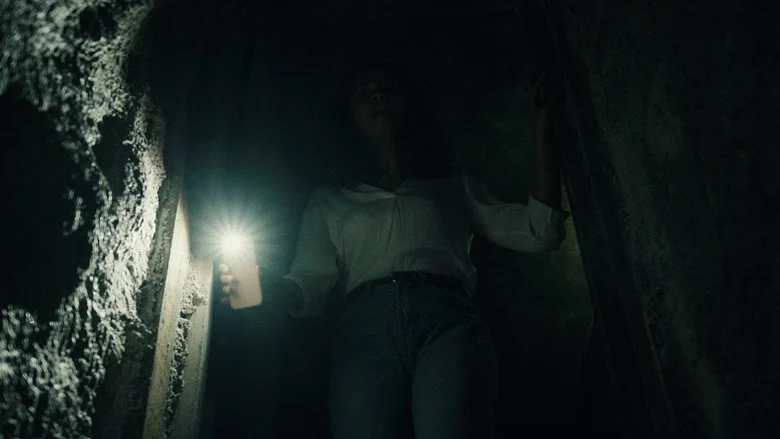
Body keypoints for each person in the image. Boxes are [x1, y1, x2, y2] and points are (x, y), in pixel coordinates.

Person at [218, 62, 569, 439]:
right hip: (364, 335)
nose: (378, 96)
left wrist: (542, 131)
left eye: (387, 89)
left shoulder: (452, 186)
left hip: (446, 323)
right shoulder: (331, 199)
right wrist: (259, 288)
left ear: (409, 104)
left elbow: (538, 231)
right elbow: (307, 282)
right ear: (350, 117)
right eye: (364, 94)